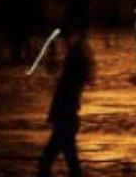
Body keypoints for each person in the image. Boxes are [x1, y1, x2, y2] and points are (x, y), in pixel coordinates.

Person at [37, 26, 93, 177]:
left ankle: (46, 169)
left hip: (65, 114)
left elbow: (64, 92)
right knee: (67, 150)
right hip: (67, 113)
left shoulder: (72, 71)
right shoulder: (75, 65)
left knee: (57, 148)